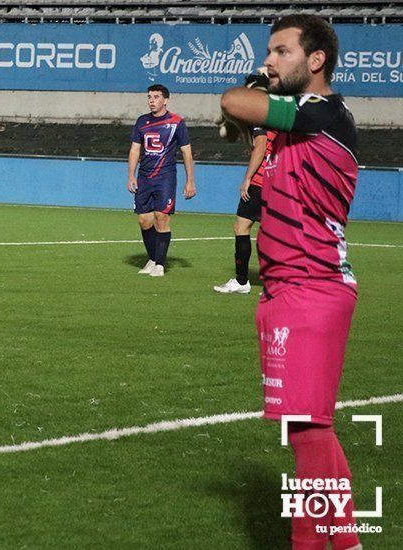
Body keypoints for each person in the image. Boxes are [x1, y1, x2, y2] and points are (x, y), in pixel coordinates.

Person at [221, 15, 361, 550]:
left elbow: (235, 101)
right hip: (284, 290)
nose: (270, 60)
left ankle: (308, 545)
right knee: (310, 430)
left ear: (316, 59)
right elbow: (243, 124)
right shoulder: (295, 125)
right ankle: (346, 543)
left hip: (313, 287)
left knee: (306, 428)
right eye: (269, 52)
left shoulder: (323, 112)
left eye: (281, 51)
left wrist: (255, 86)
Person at [127, 84, 196, 277]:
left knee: (162, 218)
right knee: (144, 220)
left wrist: (190, 180)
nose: (151, 100)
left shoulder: (176, 123)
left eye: (156, 97)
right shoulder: (141, 121)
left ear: (165, 100)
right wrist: (131, 175)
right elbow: (134, 149)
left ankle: (160, 265)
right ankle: (152, 259)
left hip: (165, 177)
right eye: (149, 97)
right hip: (144, 177)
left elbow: (186, 152)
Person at [213, 126, 277, 294]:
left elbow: (261, 146)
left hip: (261, 181)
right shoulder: (282, 117)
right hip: (280, 181)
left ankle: (243, 281)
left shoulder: (261, 118)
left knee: (242, 227)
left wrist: (247, 178)